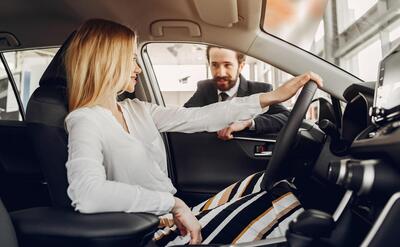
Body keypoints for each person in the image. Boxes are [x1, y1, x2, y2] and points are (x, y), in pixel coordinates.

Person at [64, 19, 323, 245]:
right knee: (282, 204)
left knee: (268, 183)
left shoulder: (135, 109)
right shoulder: (85, 120)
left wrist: (271, 97)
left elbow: (199, 117)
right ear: (109, 62)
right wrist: (173, 204)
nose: (138, 68)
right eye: (132, 59)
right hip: (153, 231)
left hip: (172, 215)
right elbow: (87, 194)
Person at [184, 46, 290, 140]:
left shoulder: (261, 89)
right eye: (215, 65)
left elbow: (288, 117)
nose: (220, 73)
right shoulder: (205, 88)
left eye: (227, 65)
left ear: (241, 66)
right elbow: (184, 117)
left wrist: (248, 123)